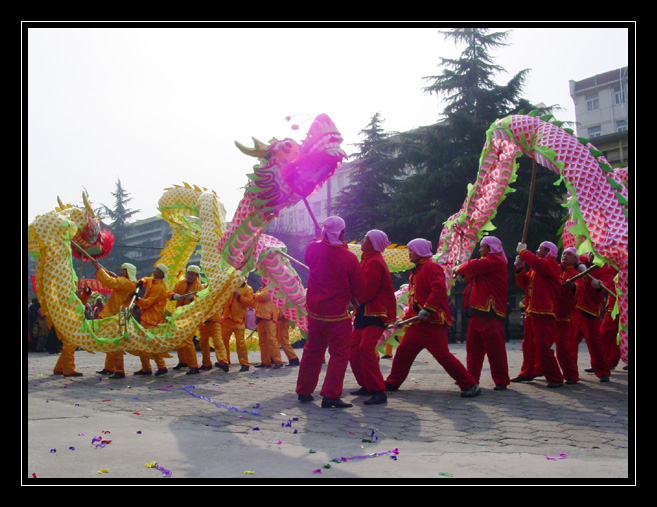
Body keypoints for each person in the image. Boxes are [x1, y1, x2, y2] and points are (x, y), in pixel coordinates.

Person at [385, 238, 481, 398]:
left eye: (411, 251)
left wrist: (428, 309)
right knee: (403, 352)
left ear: (420, 252)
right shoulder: (416, 271)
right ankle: (393, 381)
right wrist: (405, 318)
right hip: (417, 323)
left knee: (443, 356)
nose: (409, 254)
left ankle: (470, 384)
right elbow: (414, 299)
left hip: (432, 323)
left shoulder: (431, 267)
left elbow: (438, 289)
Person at [296, 216, 366, 408]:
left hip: (315, 311)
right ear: (342, 233)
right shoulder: (349, 257)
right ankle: (330, 394)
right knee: (339, 354)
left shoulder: (313, 248)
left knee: (313, 350)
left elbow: (310, 257)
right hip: (337, 314)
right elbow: (359, 287)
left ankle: (304, 390)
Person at [454, 236, 510, 391]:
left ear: (491, 248)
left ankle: (501, 380)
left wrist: (459, 267)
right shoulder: (487, 264)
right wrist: (461, 270)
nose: (480, 250)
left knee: (495, 350)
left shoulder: (495, 261)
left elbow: (473, 266)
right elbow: (470, 277)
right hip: (477, 313)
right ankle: (471, 378)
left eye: (483, 247)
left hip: (490, 313)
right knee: (473, 350)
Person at [349, 229, 397, 405]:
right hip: (363, 311)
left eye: (365, 239)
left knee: (365, 349)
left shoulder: (375, 262)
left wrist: (349, 294)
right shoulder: (367, 260)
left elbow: (368, 290)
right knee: (354, 349)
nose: (362, 241)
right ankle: (367, 385)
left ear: (373, 243)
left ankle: (378, 390)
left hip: (376, 312)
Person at [512, 241, 564, 387]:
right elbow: (524, 283)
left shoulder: (551, 264)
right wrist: (520, 269)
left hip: (544, 311)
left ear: (548, 251)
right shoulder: (536, 269)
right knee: (528, 344)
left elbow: (537, 263)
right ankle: (528, 372)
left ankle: (555, 377)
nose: (536, 250)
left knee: (542, 345)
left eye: (540, 249)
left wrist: (523, 252)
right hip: (532, 311)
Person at [569, 254, 615, 382]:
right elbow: (570, 264)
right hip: (574, 308)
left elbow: (607, 281)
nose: (591, 255)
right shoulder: (581, 259)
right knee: (570, 342)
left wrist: (600, 284)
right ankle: (570, 373)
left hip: (590, 310)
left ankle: (602, 371)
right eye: (591, 251)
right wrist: (579, 266)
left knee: (595, 343)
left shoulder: (606, 267)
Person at [92, 260, 138, 379]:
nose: (121, 271)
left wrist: (98, 269)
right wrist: (115, 276)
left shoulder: (123, 282)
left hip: (116, 316)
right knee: (111, 342)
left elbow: (109, 282)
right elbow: (117, 283)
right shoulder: (130, 283)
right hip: (119, 316)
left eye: (123, 270)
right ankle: (109, 367)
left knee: (116, 344)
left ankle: (119, 370)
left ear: (127, 272)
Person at [133, 264, 170, 376]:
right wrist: (140, 281)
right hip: (146, 318)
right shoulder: (153, 281)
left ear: (162, 274)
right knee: (141, 344)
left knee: (152, 344)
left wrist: (137, 300)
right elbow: (146, 279)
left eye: (157, 270)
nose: (154, 270)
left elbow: (148, 303)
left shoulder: (160, 287)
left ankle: (161, 366)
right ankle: (146, 368)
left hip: (153, 320)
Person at [169, 265, 204, 375]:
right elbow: (170, 292)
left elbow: (202, 301)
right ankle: (183, 361)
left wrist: (193, 298)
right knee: (179, 339)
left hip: (191, 317)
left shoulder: (200, 287)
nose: (189, 276)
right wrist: (174, 295)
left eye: (192, 274)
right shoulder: (181, 283)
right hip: (179, 315)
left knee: (188, 341)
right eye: (188, 273)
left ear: (197, 276)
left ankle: (194, 366)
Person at [555, 248, 581, 384]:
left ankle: (571, 375)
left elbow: (579, 289)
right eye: (564, 253)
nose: (565, 256)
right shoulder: (554, 269)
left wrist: (572, 287)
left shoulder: (576, 273)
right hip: (548, 313)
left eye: (569, 254)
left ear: (576, 260)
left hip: (564, 317)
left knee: (563, 347)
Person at [53, 284, 92, 377]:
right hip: (65, 322)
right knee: (69, 345)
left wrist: (86, 292)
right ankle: (69, 370)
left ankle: (59, 368)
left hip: (73, 323)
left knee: (69, 346)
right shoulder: (61, 293)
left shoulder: (73, 292)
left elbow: (81, 301)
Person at [221, 278, 255, 371]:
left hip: (239, 320)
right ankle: (225, 362)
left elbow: (251, 303)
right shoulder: (229, 286)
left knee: (240, 343)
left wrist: (238, 296)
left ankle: (244, 364)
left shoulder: (248, 289)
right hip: (227, 319)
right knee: (223, 342)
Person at [254, 286, 284, 368]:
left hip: (269, 318)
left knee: (272, 340)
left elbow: (264, 297)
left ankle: (278, 361)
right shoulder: (261, 289)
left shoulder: (271, 287)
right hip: (260, 318)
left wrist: (255, 295)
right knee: (262, 341)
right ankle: (265, 361)